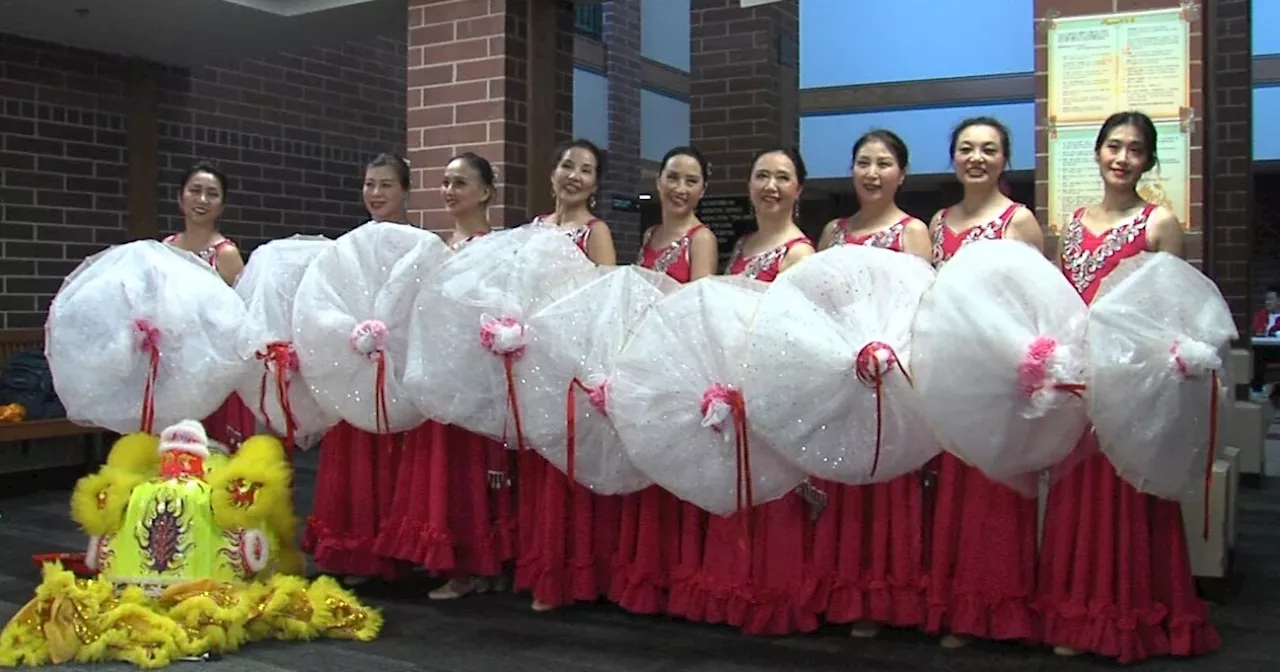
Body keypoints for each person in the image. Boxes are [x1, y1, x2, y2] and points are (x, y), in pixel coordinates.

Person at [1037, 111, 1220, 663]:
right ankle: (1075, 612)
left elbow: (1172, 311)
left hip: (1133, 379)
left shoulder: (1160, 223)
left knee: (1126, 490)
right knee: (1077, 489)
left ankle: (1127, 613)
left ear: (1148, 160)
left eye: (1134, 150)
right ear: (1096, 152)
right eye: (1112, 146)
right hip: (1079, 378)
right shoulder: (1070, 224)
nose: (1121, 158)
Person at [672, 147, 820, 636]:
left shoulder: (800, 253)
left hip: (771, 386)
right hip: (733, 385)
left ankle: (770, 595)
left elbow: (792, 330)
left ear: (799, 188)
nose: (771, 186)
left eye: (782, 177)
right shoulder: (743, 246)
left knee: (769, 492)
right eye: (762, 176)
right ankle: (730, 588)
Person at [807, 130, 933, 638]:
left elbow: (921, 309)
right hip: (841, 375)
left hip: (890, 376)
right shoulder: (833, 232)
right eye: (863, 162)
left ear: (901, 174)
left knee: (888, 480)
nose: (872, 173)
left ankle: (884, 595)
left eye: (884, 164)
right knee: (845, 476)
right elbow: (813, 304)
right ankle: (842, 589)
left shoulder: (913, 232)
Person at [924, 117, 1044, 648]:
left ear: (1004, 159)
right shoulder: (936, 221)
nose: (977, 157)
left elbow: (1037, 305)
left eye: (989, 149)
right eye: (967, 148)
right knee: (950, 488)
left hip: (997, 381)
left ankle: (996, 609)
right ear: (953, 157)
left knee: (992, 493)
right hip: (947, 374)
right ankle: (956, 605)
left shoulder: (1020, 222)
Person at [375, 153, 515, 599]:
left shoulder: (497, 247)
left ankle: (477, 564)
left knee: (473, 466)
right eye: (445, 182)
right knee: (447, 468)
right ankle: (457, 560)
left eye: (460, 183)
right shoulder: (437, 247)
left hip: (475, 378)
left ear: (485, 192)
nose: (450, 191)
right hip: (438, 375)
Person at [515, 139, 622, 611]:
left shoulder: (595, 231)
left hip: (573, 363)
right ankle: (540, 565)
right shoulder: (532, 229)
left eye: (585, 170)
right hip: (531, 359)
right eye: (566, 165)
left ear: (596, 184)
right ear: (552, 172)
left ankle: (569, 574)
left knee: (568, 468)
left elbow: (607, 303)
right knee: (539, 465)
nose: (573, 176)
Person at [612, 146, 718, 615]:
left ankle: (680, 578)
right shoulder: (651, 233)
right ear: (658, 181)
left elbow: (699, 311)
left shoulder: (702, 239)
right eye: (672, 177)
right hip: (645, 364)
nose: (680, 188)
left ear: (702, 190)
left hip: (676, 366)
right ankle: (648, 574)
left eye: (691, 181)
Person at [302, 153, 414, 585]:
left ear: (404, 191)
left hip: (396, 373)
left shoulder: (417, 244)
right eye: (369, 184)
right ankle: (352, 550)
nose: (376, 194)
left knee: (390, 456)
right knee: (352, 457)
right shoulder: (347, 245)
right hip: (355, 367)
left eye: (386, 185)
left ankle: (390, 551)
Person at [164, 161, 254, 452]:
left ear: (221, 205)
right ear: (180, 198)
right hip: (173, 366)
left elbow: (243, 318)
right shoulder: (164, 248)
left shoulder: (226, 255)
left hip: (214, 371)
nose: (202, 200)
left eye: (212, 194)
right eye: (195, 191)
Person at [1250, 286, 1280, 399]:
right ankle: (1256, 388)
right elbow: (1256, 330)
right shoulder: (1262, 315)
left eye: (1270, 299)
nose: (1267, 302)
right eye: (1266, 300)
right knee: (1257, 353)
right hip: (1264, 349)